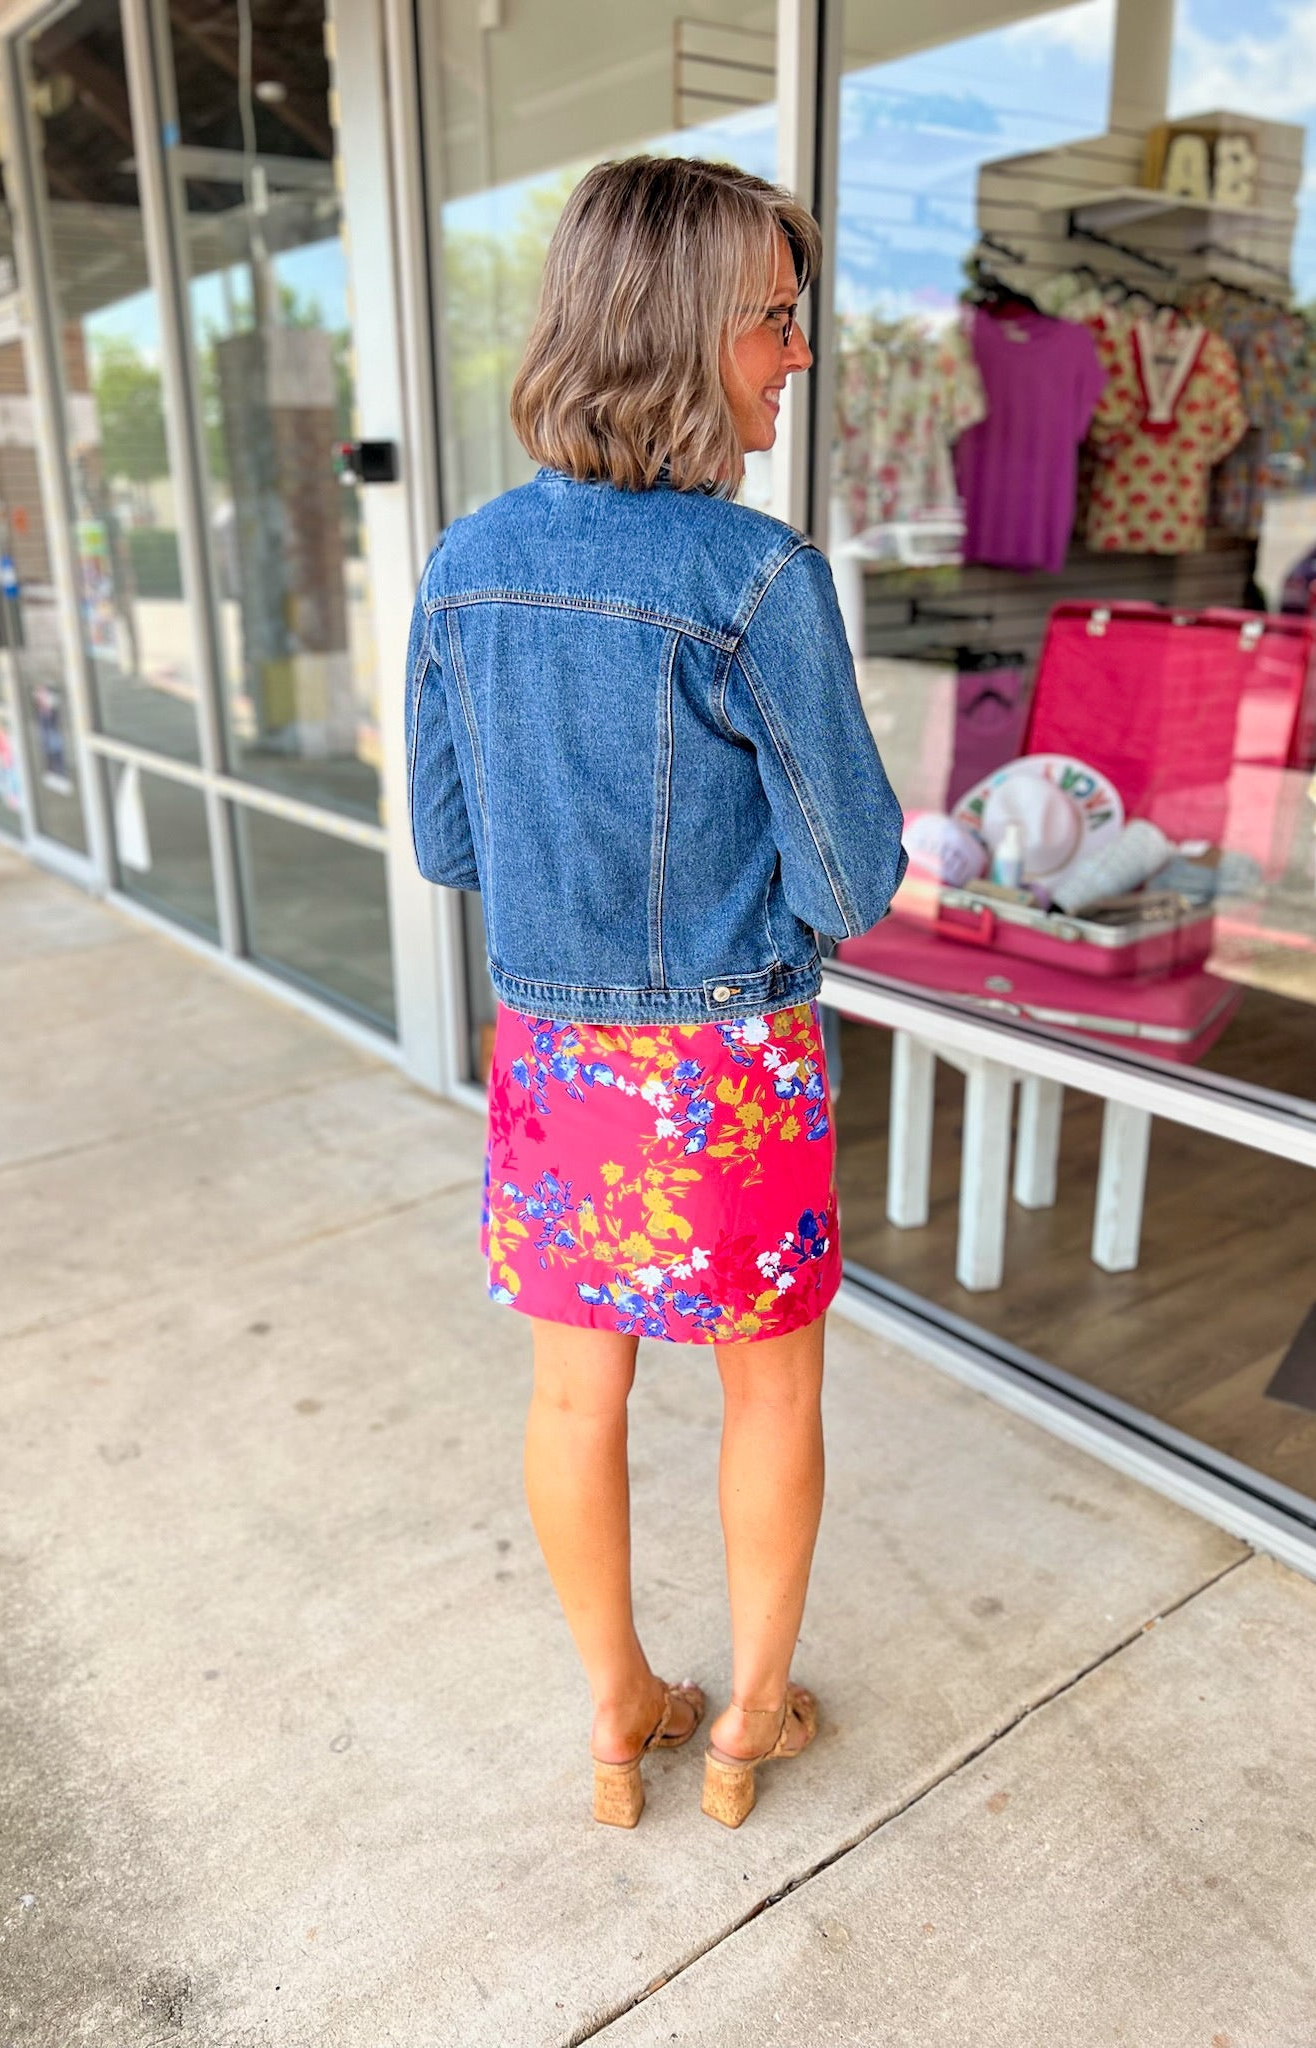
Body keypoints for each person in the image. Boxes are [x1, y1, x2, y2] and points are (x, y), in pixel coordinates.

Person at [404, 156, 906, 1829]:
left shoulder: (464, 563)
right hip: (733, 1064)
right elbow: (852, 881)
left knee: (572, 1391)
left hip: (559, 1061)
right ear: (692, 331)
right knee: (769, 1391)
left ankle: (620, 1715)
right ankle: (754, 1719)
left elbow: (451, 836)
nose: (801, 352)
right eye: (779, 318)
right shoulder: (759, 577)